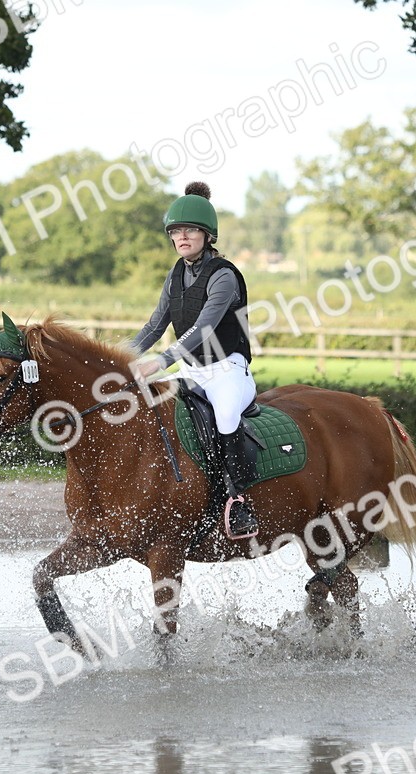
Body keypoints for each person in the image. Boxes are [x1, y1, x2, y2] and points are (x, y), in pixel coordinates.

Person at [132, 181, 259, 537]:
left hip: (226, 371)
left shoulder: (225, 276)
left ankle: (239, 503)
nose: (182, 237)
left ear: (206, 234)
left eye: (189, 230)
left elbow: (204, 328)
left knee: (225, 415)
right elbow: (155, 325)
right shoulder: (175, 275)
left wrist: (161, 361)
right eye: (175, 231)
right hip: (191, 372)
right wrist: (117, 358)